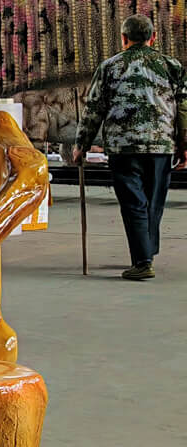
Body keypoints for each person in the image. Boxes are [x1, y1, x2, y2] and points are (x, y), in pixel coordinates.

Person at [74, 14, 187, 280]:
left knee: (134, 203)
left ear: (123, 38)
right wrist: (184, 144)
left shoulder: (109, 66)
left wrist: (81, 144)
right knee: (153, 203)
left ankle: (143, 259)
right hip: (161, 146)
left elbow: (93, 109)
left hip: (123, 147)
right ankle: (145, 253)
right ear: (153, 37)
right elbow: (183, 107)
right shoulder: (171, 66)